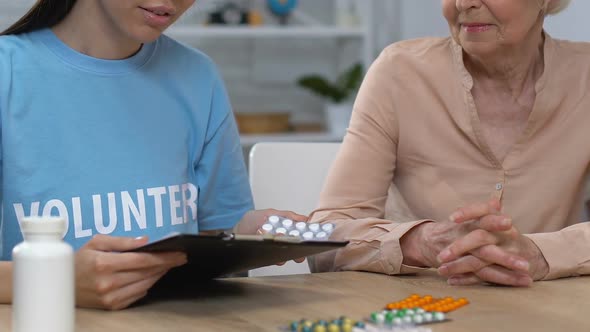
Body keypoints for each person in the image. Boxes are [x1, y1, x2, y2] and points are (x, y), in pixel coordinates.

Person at [0, 0, 305, 310]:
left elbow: (212, 237)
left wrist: (246, 233)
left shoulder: (199, 77)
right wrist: (55, 282)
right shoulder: (8, 71)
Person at [309, 0, 590, 287]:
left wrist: (540, 254)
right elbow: (322, 240)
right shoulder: (399, 73)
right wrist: (418, 243)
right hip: (415, 316)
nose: (463, 3)